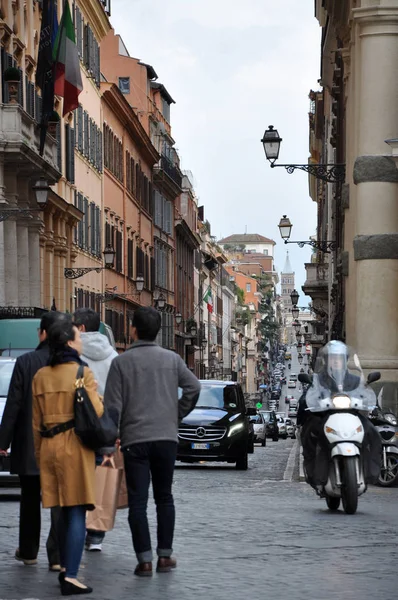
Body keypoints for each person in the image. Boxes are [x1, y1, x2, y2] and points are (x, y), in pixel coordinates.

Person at [104, 307, 201, 577]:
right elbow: (194, 387)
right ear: (158, 331)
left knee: (137, 501)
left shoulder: (121, 363)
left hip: (134, 439)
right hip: (166, 438)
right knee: (164, 497)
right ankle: (164, 557)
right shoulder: (172, 359)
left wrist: (108, 443)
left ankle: (144, 560)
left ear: (133, 329)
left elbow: (112, 408)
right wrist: (176, 413)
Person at [32, 319, 104, 596]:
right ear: (70, 343)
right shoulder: (81, 373)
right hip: (74, 446)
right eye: (78, 338)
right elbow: (96, 412)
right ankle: (70, 574)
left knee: (59, 509)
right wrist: (95, 392)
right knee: (76, 510)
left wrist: (40, 456)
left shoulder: (40, 376)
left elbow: (34, 423)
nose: (81, 342)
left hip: (48, 447)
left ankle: (62, 565)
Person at [0, 311, 70, 570]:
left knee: (29, 498)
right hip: (63, 445)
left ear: (42, 333)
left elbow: (14, 405)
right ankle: (58, 557)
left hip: (31, 444)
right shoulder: (72, 365)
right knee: (60, 501)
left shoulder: (26, 362)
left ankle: (29, 550)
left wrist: (3, 441)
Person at [299, 340, 381, 486]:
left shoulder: (355, 380)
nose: (336, 362)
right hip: (326, 415)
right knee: (310, 432)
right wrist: (309, 401)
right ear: (326, 361)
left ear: (345, 360)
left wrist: (370, 403)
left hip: (352, 415)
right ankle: (315, 474)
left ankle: (371, 472)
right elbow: (309, 396)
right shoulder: (319, 379)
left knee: (372, 432)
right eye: (332, 358)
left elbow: (364, 392)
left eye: (339, 358)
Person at [73, 307, 118, 553]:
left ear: (80, 328)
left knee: (78, 477)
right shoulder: (113, 356)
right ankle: (96, 535)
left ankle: (76, 527)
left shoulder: (73, 355)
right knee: (101, 479)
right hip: (104, 426)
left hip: (78, 424)